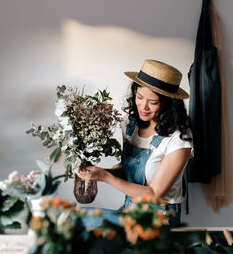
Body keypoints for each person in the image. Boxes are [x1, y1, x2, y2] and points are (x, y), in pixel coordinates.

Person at [77, 59, 193, 228]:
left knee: (82, 221)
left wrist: (106, 177)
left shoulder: (179, 138)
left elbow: (153, 194)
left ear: (168, 104)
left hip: (158, 217)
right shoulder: (131, 126)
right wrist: (98, 173)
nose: (143, 107)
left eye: (153, 102)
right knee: (75, 217)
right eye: (139, 97)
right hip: (129, 209)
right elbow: (130, 172)